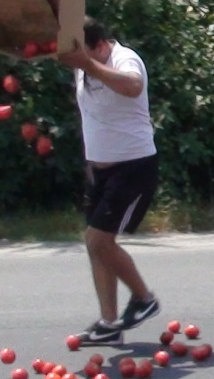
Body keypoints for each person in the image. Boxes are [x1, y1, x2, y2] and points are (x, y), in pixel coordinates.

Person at [57, 18, 160, 347]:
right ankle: (109, 322)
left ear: (100, 46)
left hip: (132, 168)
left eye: (85, 55)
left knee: (99, 241)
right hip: (100, 171)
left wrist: (86, 64)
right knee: (94, 245)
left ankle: (144, 299)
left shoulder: (123, 59)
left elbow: (132, 86)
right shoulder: (85, 61)